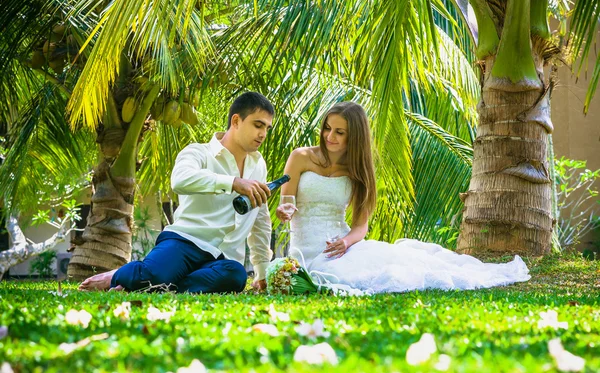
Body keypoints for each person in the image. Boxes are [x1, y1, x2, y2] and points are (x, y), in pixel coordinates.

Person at [276, 101, 530, 294]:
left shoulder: (357, 170)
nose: (330, 137)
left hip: (336, 249)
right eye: (328, 129)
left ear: (354, 136)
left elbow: (360, 226)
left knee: (386, 271)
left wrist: (346, 242)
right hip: (302, 250)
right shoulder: (300, 157)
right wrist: (284, 211)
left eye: (339, 132)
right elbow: (286, 202)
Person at [79, 91, 275, 293]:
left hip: (223, 259)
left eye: (267, 128)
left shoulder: (258, 165)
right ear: (236, 121)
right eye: (258, 125)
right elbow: (180, 180)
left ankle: (148, 285)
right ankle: (118, 276)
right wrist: (233, 182)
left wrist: (262, 271)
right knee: (155, 275)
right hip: (185, 241)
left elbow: (260, 218)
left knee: (236, 276)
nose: (263, 134)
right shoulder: (198, 152)